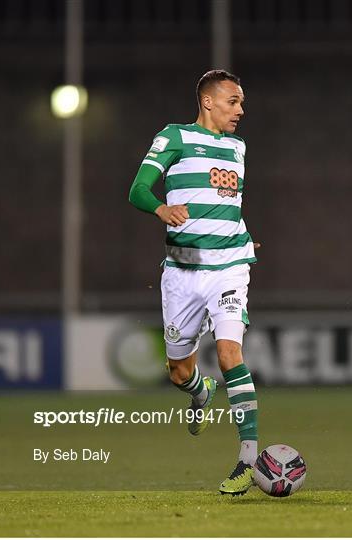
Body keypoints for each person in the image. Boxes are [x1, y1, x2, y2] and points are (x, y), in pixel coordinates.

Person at [129, 69, 259, 496]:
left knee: (228, 353)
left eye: (240, 102)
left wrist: (236, 239)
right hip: (183, 272)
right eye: (233, 101)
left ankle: (248, 458)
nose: (240, 110)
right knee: (177, 370)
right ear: (208, 102)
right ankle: (198, 390)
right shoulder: (175, 138)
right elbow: (138, 189)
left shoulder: (238, 147)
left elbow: (227, 204)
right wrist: (161, 209)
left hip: (229, 266)